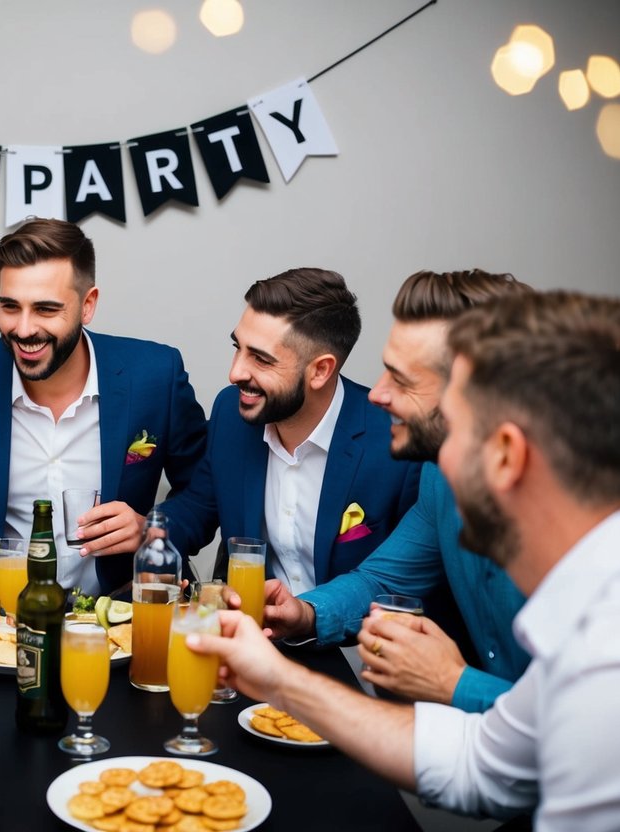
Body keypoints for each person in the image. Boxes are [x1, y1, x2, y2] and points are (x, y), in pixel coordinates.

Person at [190, 290, 620, 829]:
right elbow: (485, 763)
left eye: (451, 419)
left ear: (506, 454)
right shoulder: (448, 488)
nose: (376, 396)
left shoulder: (606, 651)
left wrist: (451, 682)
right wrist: (278, 676)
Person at [0, 218, 208, 599]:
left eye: (45, 309)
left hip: (121, 615)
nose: (23, 329)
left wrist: (151, 529)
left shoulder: (155, 376)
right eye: (10, 306)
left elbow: (204, 494)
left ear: (88, 305)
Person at [261, 270, 532, 711]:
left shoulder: (584, 521)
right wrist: (304, 614)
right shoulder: (440, 477)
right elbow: (384, 578)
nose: (376, 395)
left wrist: (450, 682)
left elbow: (592, 723)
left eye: (402, 380)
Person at [160, 268, 420, 592]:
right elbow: (198, 507)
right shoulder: (232, 413)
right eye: (237, 348)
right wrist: (148, 531)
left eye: (261, 359)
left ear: (320, 371)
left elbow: (408, 582)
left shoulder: (396, 446)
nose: (235, 372)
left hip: (355, 639)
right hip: (254, 635)